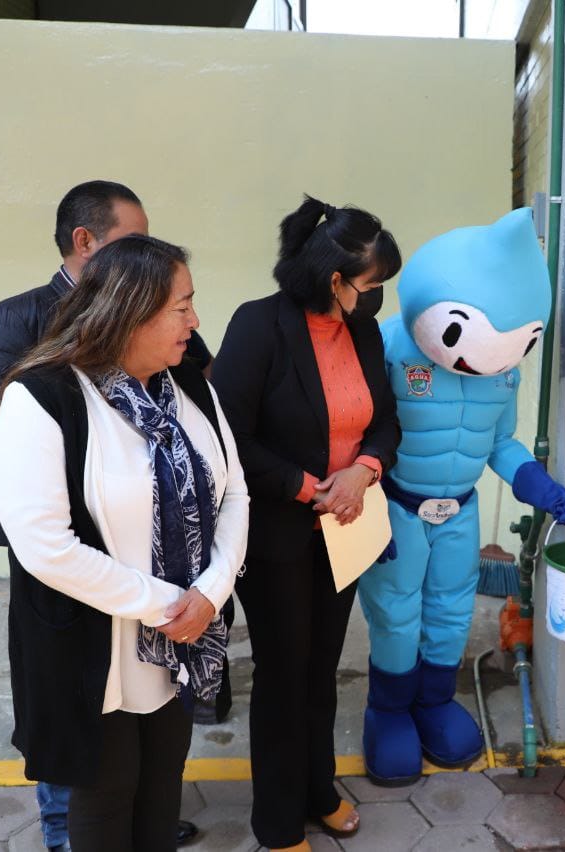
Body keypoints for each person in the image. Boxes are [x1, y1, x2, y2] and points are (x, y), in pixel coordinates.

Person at [0, 180, 205, 850]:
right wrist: (40, 494)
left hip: (139, 551)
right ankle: (67, 829)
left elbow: (204, 441)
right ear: (86, 243)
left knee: (132, 729)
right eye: (131, 239)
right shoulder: (20, 319)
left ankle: (129, 819)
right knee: (75, 698)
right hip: (60, 545)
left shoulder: (165, 348)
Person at [0, 235, 248, 852]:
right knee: (103, 804)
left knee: (160, 793)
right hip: (95, 650)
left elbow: (233, 492)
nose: (195, 321)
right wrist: (168, 606)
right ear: (131, 310)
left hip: (182, 640)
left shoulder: (189, 387)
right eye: (181, 306)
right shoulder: (42, 397)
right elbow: (46, 546)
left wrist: (210, 593)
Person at [358, 208, 565, 787]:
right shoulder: (386, 344)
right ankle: (388, 711)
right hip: (396, 503)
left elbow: (500, 443)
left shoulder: (501, 372)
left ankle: (433, 702)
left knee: (454, 610)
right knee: (396, 612)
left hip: (460, 507)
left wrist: (541, 486)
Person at [210, 197, 402, 852]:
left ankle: (318, 789)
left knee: (322, 670)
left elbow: (385, 420)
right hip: (278, 540)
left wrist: (365, 469)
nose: (377, 298)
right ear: (335, 280)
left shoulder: (364, 333)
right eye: (371, 285)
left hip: (345, 529)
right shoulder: (259, 326)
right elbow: (228, 433)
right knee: (285, 675)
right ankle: (277, 819)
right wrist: (305, 486)